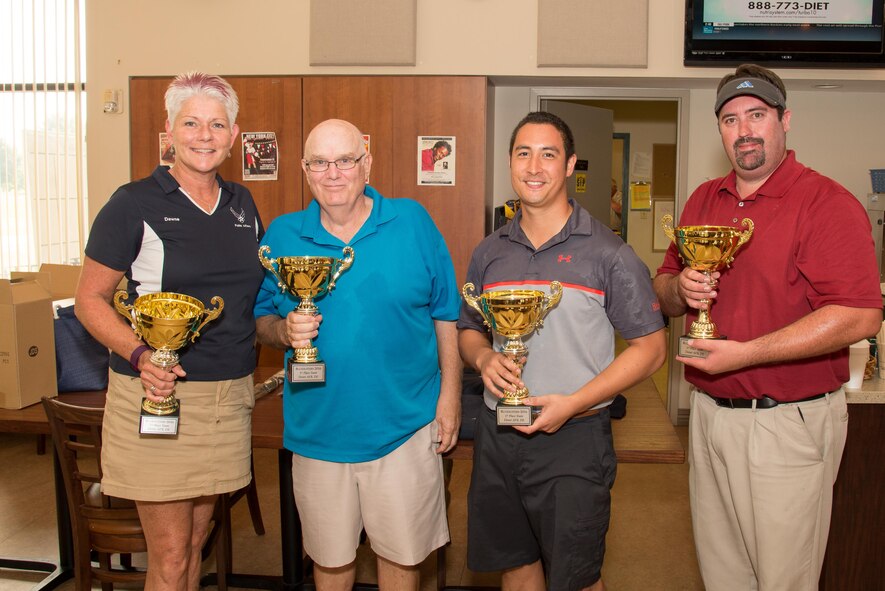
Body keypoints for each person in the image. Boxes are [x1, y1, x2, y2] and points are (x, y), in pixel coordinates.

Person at [652, 64, 882, 591]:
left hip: (785, 423)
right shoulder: (704, 200)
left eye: (757, 115)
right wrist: (681, 289)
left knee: (783, 579)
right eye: (731, 119)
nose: (745, 130)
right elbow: (661, 289)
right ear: (720, 130)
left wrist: (747, 353)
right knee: (723, 573)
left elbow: (861, 314)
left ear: (785, 121)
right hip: (709, 416)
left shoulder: (826, 204)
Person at [458, 111, 667, 591]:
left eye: (548, 154)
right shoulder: (489, 253)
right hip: (499, 432)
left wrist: (574, 403)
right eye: (523, 153)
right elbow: (468, 330)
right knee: (516, 562)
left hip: (574, 437)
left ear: (569, 164)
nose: (534, 167)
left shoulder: (609, 253)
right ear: (510, 162)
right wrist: (484, 358)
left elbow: (651, 349)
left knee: (575, 576)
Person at [75, 72, 265, 590]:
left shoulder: (243, 205)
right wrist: (140, 356)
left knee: (195, 549)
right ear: (169, 132)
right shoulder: (133, 203)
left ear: (233, 134)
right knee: (172, 556)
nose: (204, 135)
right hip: (159, 396)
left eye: (216, 124)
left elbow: (253, 303)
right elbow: (89, 300)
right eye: (191, 123)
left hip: (228, 400)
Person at [254, 119, 461, 590]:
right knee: (329, 563)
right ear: (305, 171)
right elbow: (260, 319)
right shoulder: (283, 236)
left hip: (405, 428)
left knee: (402, 559)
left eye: (345, 160)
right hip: (318, 432)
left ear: (366, 163)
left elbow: (445, 313)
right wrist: (285, 331)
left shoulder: (412, 221)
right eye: (320, 163)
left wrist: (450, 396)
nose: (333, 173)